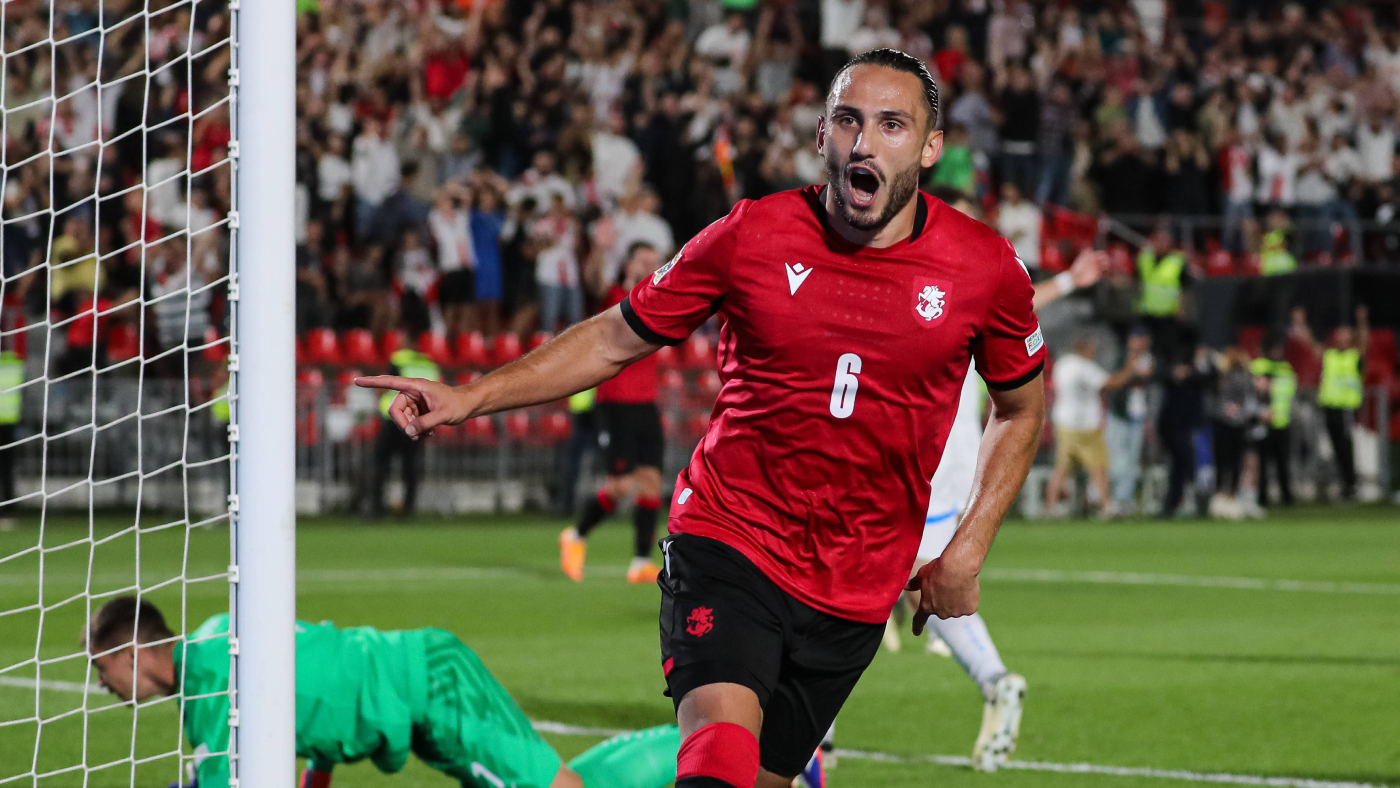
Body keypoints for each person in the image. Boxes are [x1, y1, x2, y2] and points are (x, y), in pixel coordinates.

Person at [358, 49, 1047, 788]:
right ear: (822, 135)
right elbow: (616, 337)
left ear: (931, 147)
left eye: (892, 125)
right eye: (848, 121)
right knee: (717, 760)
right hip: (730, 540)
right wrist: (471, 396)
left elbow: (1021, 406)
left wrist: (968, 548)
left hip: (857, 584)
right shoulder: (753, 234)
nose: (864, 144)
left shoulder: (982, 268)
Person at [882, 188, 1100, 773]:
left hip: (924, 460)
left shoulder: (931, 276)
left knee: (857, 576)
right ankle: (993, 678)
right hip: (953, 462)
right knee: (914, 579)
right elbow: (1025, 301)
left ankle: (814, 741)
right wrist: (1071, 281)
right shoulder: (977, 276)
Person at [85, 596, 680, 788]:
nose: (101, 684)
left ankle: (709, 754)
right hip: (421, 691)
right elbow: (317, 670)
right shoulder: (219, 636)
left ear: (130, 655)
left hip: (432, 688)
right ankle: (700, 750)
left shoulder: (212, 691)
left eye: (101, 668)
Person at [559, 243, 667, 585]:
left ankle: (640, 562)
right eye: (645, 260)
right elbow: (593, 280)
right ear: (629, 264)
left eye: (656, 261)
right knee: (620, 485)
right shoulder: (616, 296)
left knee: (651, 483)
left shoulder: (661, 298)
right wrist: (599, 248)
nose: (652, 265)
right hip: (615, 402)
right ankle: (576, 535)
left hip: (646, 403)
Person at [1043, 335, 1144, 518]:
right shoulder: (1085, 367)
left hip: (1063, 422)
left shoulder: (1063, 364)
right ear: (1085, 349)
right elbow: (1113, 383)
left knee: (1062, 467)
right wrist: (1130, 367)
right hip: (1085, 425)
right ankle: (1106, 506)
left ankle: (1050, 507)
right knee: (1098, 466)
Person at [366, 314, 442, 519]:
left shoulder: (399, 359)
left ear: (408, 340)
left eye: (401, 337)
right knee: (411, 466)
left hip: (393, 420)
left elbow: (383, 387)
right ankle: (408, 508)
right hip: (417, 422)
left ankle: (377, 508)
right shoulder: (429, 364)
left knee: (381, 463)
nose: (398, 340)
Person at [1293, 305, 1369, 500]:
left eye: (1345, 335)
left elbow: (1364, 341)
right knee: (1335, 446)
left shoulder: (1353, 355)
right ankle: (1345, 483)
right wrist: (1301, 323)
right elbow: (1309, 343)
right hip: (1329, 406)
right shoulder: (1330, 355)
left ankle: (1351, 483)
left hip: (1345, 407)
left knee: (1345, 446)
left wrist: (1362, 321)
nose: (1341, 338)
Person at [1104, 327, 1153, 515]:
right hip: (1119, 415)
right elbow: (1114, 381)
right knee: (1117, 458)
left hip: (1137, 415)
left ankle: (1125, 498)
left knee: (1132, 459)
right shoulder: (1121, 355)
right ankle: (1114, 497)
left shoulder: (1149, 358)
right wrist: (1132, 369)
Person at [1210, 346, 1258, 520]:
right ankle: (1219, 497)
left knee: (1235, 461)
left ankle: (1232, 496)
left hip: (1238, 424)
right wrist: (1224, 409)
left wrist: (1240, 411)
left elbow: (1249, 398)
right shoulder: (1220, 375)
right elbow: (1213, 396)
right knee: (1221, 461)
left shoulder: (1245, 376)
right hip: (1222, 423)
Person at [1250, 342, 1296, 509]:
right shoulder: (1259, 366)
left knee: (1283, 462)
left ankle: (1286, 496)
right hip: (1263, 422)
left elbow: (1290, 391)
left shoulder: (1285, 369)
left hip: (1281, 422)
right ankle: (1262, 496)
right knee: (1262, 463)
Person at [0, 345, 21, 530]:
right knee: (7, 470)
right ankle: (8, 512)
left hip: (7, 424)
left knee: (6, 469)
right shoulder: (15, 362)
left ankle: (7, 511)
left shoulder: (14, 362)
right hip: (9, 422)